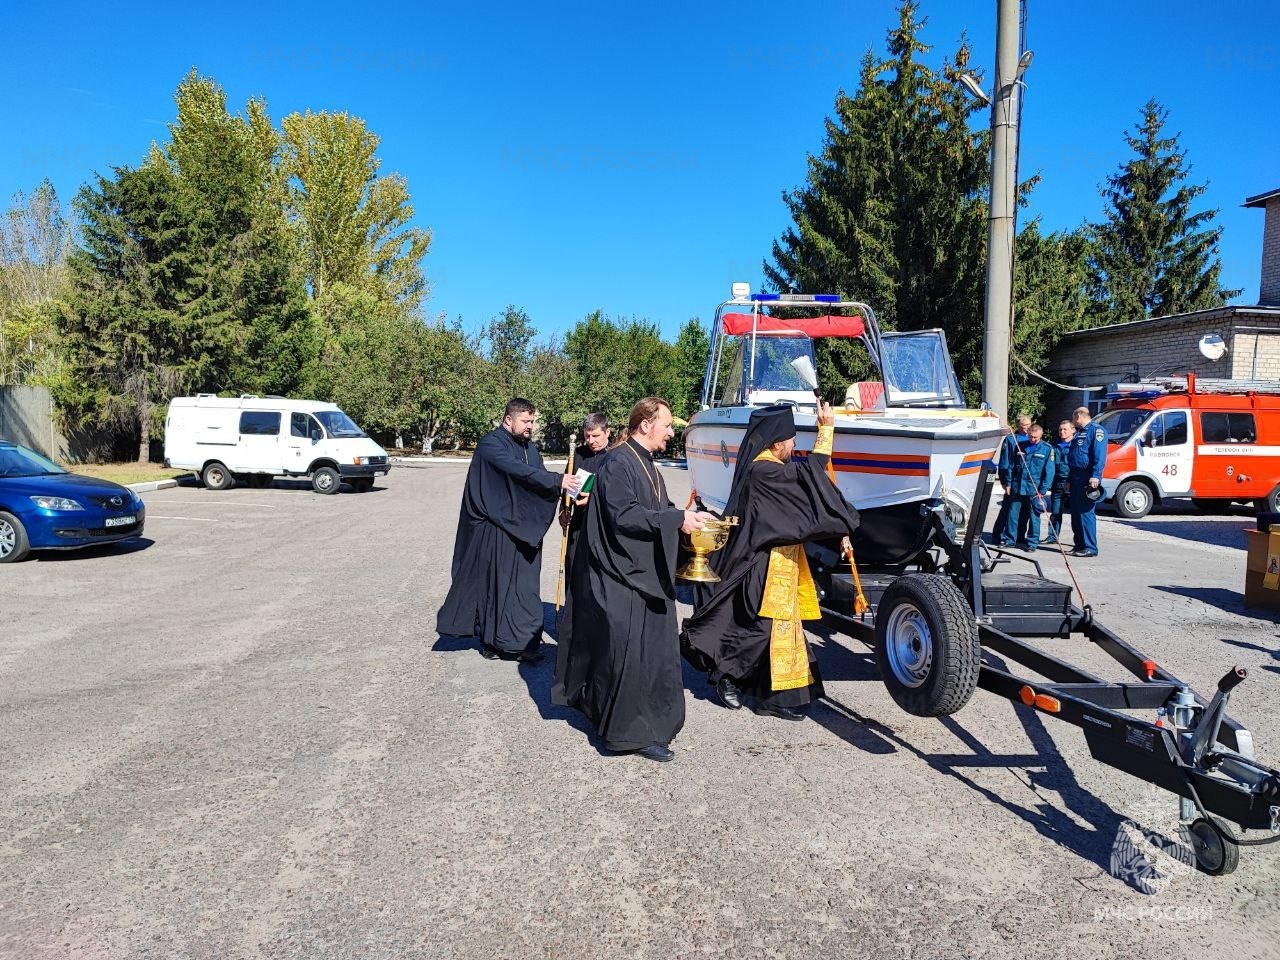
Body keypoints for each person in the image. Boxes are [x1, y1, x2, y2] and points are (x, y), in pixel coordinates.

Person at [552, 397, 714, 762]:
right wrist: (675, 521)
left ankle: (648, 722)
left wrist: (688, 518)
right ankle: (627, 734)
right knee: (628, 655)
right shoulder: (618, 464)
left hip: (643, 574)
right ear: (645, 425)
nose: (672, 433)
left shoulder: (649, 465)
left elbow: (657, 510)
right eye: (668, 425)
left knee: (650, 653)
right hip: (621, 577)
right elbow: (624, 517)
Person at [681, 402, 860, 720]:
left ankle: (772, 698)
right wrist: (826, 430)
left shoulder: (767, 468)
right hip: (760, 564)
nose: (794, 446)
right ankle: (726, 675)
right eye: (791, 440)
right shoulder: (763, 470)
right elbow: (808, 478)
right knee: (760, 629)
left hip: (781, 560)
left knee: (780, 629)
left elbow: (802, 484)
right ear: (777, 442)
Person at [436, 398, 581, 661]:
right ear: (508, 420)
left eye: (532, 421)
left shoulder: (530, 449)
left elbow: (539, 478)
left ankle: (523, 643)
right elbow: (516, 472)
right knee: (498, 587)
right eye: (526, 421)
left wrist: (565, 502)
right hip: (496, 529)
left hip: (523, 530)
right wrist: (558, 480)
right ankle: (493, 642)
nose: (530, 426)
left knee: (524, 588)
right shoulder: (491, 444)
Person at [558, 412, 611, 571]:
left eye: (595, 435)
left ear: (607, 432)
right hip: (578, 524)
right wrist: (564, 510)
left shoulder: (616, 456)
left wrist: (595, 498)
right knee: (574, 569)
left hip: (604, 526)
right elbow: (567, 487)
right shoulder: (577, 455)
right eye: (587, 436)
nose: (591, 441)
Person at [1068, 405, 1108, 558]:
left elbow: (1099, 455)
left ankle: (1090, 547)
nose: (1073, 421)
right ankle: (1079, 544)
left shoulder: (1096, 431)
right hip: (1076, 475)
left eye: (1073, 418)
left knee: (1085, 512)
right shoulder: (1080, 433)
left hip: (1087, 476)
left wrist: (1096, 475)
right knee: (1075, 512)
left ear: (1079, 416)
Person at [1009, 423, 1053, 551]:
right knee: (1014, 515)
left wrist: (1043, 490)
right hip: (1019, 486)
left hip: (1035, 489)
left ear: (1041, 434)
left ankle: (1032, 543)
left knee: (1034, 518)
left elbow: (1049, 472)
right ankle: (1012, 540)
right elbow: (1012, 466)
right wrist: (1009, 483)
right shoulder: (1020, 446)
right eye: (1030, 436)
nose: (1032, 439)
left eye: (1035, 437)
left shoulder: (1047, 448)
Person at [993, 414, 1031, 546]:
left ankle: (1020, 536)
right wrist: (1005, 482)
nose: (1027, 428)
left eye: (1029, 425)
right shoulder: (1011, 440)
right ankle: (997, 534)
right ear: (1018, 426)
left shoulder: (1031, 439)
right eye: (1024, 425)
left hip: (1026, 482)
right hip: (1013, 480)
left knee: (1024, 511)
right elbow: (1005, 463)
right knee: (1008, 510)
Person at [1043, 420, 1075, 545]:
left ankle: (1079, 541)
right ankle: (1052, 536)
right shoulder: (1054, 446)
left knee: (1076, 514)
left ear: (1073, 430)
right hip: (1057, 482)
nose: (1062, 432)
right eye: (1060, 429)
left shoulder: (1076, 445)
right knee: (1055, 512)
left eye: (1065, 429)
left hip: (1072, 482)